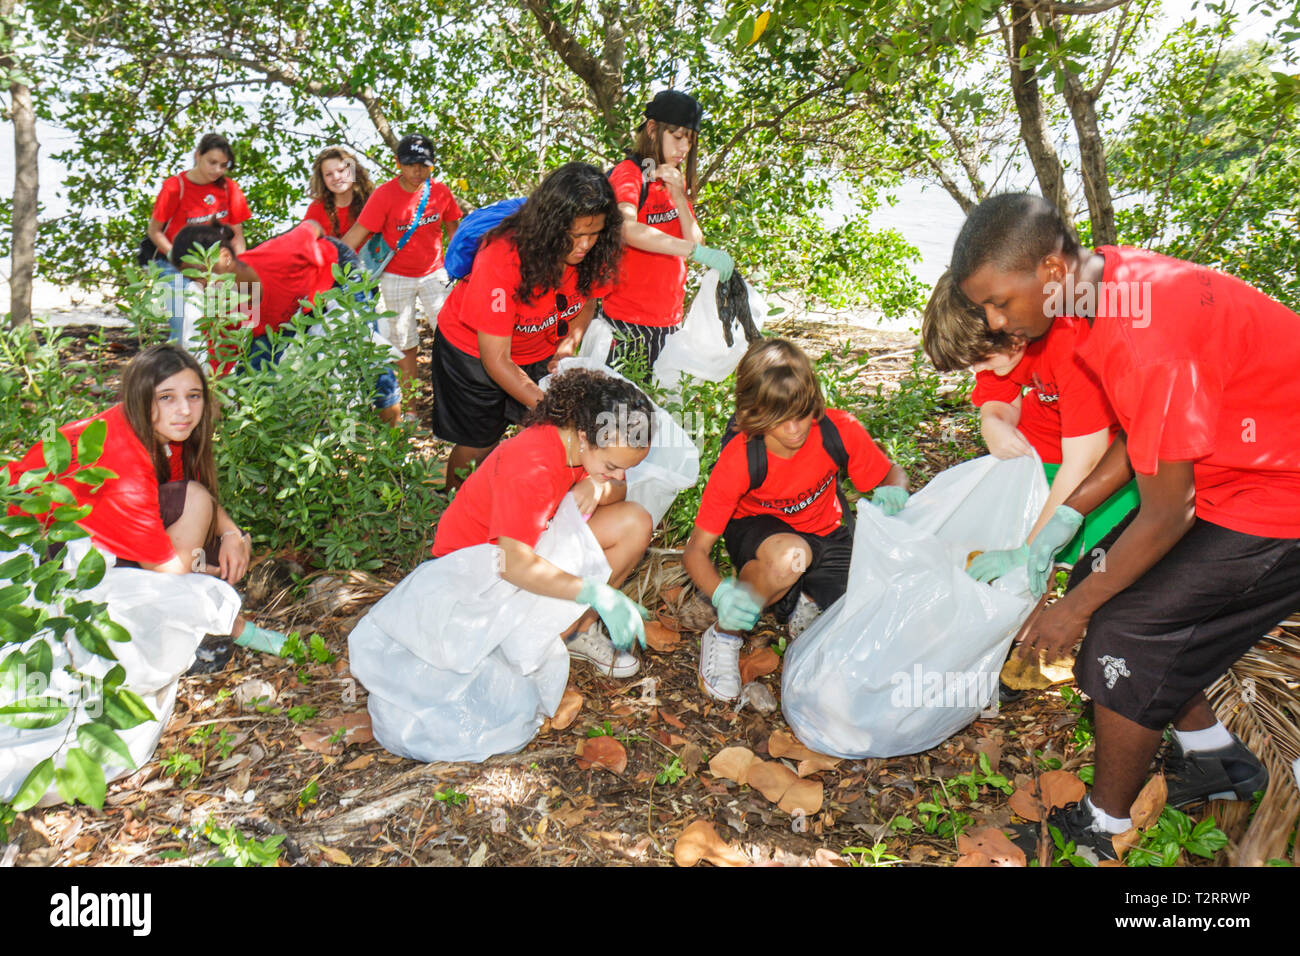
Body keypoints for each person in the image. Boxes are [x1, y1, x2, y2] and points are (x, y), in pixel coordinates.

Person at [949, 192, 1300, 859]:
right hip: (1222, 474)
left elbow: (1169, 511)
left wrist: (1069, 613)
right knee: (1101, 577)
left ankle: (1101, 827)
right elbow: (1144, 434)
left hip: (1280, 494)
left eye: (998, 302)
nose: (995, 322)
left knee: (1121, 632)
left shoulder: (1146, 335)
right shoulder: (1096, 290)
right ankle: (1217, 758)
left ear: (1051, 269)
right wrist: (1068, 521)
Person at [4, 344, 287, 672]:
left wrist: (231, 533)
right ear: (140, 398)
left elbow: (194, 496)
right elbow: (165, 565)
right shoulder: (125, 460)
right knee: (198, 552)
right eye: (166, 397)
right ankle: (208, 629)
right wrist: (206, 576)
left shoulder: (162, 435)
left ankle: (192, 622)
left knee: (205, 538)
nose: (184, 410)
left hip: (80, 530)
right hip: (31, 550)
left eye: (194, 396)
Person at [681, 339, 911, 702]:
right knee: (792, 555)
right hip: (763, 536)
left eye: (802, 413)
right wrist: (722, 594)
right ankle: (725, 635)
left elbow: (890, 473)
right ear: (754, 414)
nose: (794, 429)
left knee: (871, 618)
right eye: (779, 418)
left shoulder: (838, 430)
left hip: (827, 532)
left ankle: (805, 597)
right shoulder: (741, 457)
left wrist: (896, 490)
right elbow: (696, 550)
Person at [432, 368, 655, 677]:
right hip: (474, 577)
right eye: (612, 466)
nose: (619, 475)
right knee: (627, 528)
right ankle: (529, 650)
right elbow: (513, 565)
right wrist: (594, 592)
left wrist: (598, 483)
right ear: (583, 437)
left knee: (635, 522)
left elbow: (619, 493)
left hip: (523, 551)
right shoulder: (532, 466)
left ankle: (574, 632)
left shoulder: (583, 447)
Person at [921, 270, 1138, 576]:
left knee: (1102, 564)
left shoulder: (1069, 342)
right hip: (1045, 444)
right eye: (973, 363)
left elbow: (1085, 462)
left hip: (1112, 458)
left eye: (983, 358)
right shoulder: (996, 345)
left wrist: (1028, 550)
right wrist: (993, 422)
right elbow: (999, 396)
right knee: (1021, 540)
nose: (981, 369)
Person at [431, 161, 622, 491]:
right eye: (575, 235)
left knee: (543, 440)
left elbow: (587, 298)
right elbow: (497, 360)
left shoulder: (596, 248)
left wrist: (566, 347)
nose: (584, 245)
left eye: (594, 234)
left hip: (539, 348)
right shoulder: (503, 256)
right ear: (550, 226)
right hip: (472, 351)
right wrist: (555, 408)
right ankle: (449, 507)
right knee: (479, 442)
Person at [170, 220, 402, 422]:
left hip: (337, 274)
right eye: (192, 279)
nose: (201, 284)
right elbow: (218, 369)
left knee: (366, 355)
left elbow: (313, 226)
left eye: (202, 272)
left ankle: (393, 442)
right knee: (252, 378)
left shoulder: (279, 254)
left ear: (225, 257)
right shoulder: (221, 307)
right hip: (292, 310)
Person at [600, 90, 735, 370]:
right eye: (677, 137)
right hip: (627, 323)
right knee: (622, 412)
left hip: (669, 322)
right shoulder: (629, 174)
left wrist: (679, 199)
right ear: (652, 129)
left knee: (662, 409)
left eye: (690, 139)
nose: (684, 148)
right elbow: (627, 229)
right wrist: (695, 251)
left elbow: (695, 241)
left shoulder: (675, 179)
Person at [342, 134, 462, 407]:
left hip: (435, 272)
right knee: (405, 343)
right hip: (395, 276)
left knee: (452, 337)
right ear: (397, 163)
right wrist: (330, 261)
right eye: (410, 165)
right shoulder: (384, 196)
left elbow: (456, 233)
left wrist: (462, 269)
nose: (417, 171)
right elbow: (357, 234)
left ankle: (454, 404)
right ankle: (409, 409)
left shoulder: (441, 193)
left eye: (424, 165)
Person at [145, 133, 251, 344]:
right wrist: (177, 259)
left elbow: (237, 236)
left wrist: (241, 268)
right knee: (185, 321)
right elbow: (154, 231)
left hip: (215, 265)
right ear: (197, 156)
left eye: (223, 165)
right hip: (173, 262)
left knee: (235, 318)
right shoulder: (175, 187)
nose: (217, 170)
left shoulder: (230, 189)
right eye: (212, 162)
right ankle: (179, 369)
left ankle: (219, 373)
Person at [303, 146, 376, 238]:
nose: (336, 177)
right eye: (329, 174)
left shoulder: (373, 200)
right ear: (322, 180)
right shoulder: (316, 209)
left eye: (341, 170)